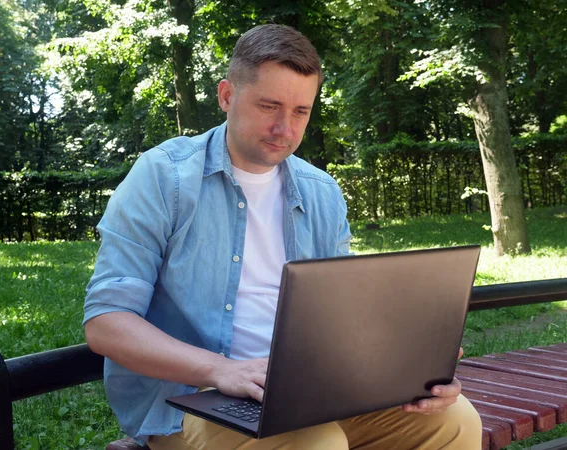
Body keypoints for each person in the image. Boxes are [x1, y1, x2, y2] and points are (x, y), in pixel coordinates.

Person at [83, 24, 482, 450]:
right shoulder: (165, 177)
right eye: (269, 106)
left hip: (311, 391)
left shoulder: (321, 191)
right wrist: (223, 370)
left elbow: (343, 317)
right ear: (226, 96)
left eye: (300, 112)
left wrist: (408, 363)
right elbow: (107, 324)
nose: (285, 129)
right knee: (316, 444)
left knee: (455, 421)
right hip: (195, 399)